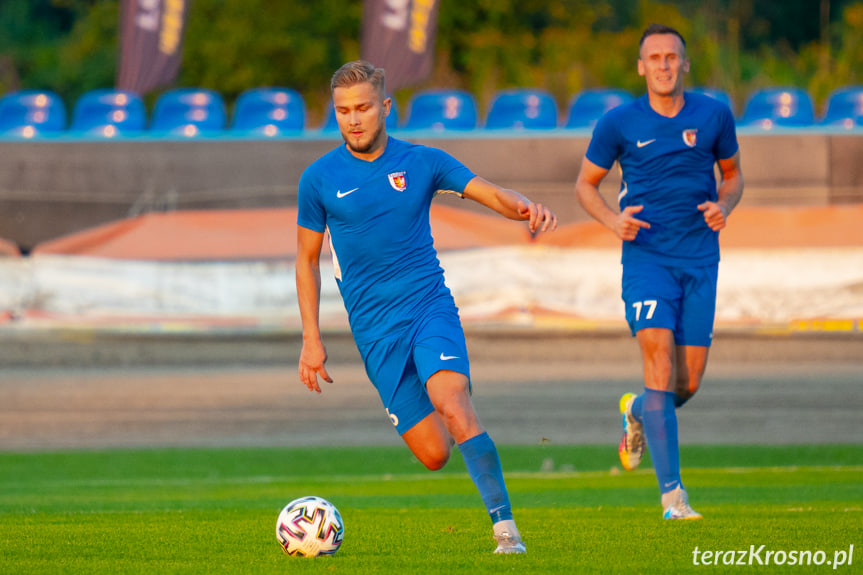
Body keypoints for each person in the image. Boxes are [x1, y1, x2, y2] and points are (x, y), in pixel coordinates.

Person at [295, 60, 557, 553]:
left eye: (363, 108)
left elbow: (492, 193)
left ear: (385, 107)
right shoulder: (318, 179)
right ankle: (466, 449)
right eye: (343, 111)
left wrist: (524, 206)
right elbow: (306, 260)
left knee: (454, 404)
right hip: (375, 333)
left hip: (428, 307)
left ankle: (506, 530)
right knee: (436, 453)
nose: (353, 119)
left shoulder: (422, 161)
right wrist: (311, 338)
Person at [574, 24, 744, 519]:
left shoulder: (713, 115)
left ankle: (636, 412)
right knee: (660, 367)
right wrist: (613, 220)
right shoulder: (618, 122)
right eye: (656, 57)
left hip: (700, 259)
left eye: (673, 57)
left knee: (686, 383)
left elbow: (732, 176)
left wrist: (724, 206)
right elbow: (586, 185)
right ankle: (674, 497)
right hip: (647, 258)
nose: (665, 65)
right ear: (641, 67)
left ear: (685, 64)